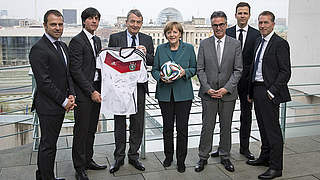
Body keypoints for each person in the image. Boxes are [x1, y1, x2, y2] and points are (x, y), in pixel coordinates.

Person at [29, 9, 76, 180]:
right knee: (48, 145)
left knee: (51, 144)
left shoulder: (62, 46)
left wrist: (71, 94)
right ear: (45, 26)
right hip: (48, 106)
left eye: (60, 24)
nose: (57, 28)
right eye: (53, 24)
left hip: (60, 103)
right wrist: (64, 101)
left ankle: (45, 176)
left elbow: (67, 74)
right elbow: (44, 83)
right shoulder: (38, 49)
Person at [211, 2, 260, 160]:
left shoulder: (256, 34)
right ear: (235, 15)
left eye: (245, 13)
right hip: (227, 83)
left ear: (249, 15)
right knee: (224, 117)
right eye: (240, 13)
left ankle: (244, 148)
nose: (242, 16)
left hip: (246, 83)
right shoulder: (227, 31)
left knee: (246, 116)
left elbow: (255, 61)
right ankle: (222, 147)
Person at [107, 9, 154, 173]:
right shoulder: (115, 38)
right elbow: (110, 61)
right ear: (127, 22)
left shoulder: (147, 39)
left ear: (141, 23)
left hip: (139, 88)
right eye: (132, 21)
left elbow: (152, 61)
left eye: (138, 22)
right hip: (119, 89)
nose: (135, 25)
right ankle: (118, 158)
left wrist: (144, 54)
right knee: (119, 123)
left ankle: (133, 156)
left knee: (138, 123)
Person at [195, 11, 242, 173]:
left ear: (226, 25)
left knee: (226, 126)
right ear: (211, 26)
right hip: (208, 94)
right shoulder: (204, 44)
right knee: (207, 127)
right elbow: (199, 69)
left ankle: (225, 156)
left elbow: (238, 70)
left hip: (227, 94)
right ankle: (203, 157)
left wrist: (225, 89)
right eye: (215, 25)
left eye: (221, 24)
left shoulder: (235, 44)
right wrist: (207, 88)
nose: (218, 28)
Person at [247, 11, 291, 179]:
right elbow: (254, 67)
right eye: (260, 22)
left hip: (269, 91)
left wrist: (272, 92)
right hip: (257, 90)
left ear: (273, 24)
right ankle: (264, 157)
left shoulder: (280, 43)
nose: (262, 26)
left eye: (266, 22)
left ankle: (276, 167)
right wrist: (251, 92)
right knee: (263, 128)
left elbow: (285, 72)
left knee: (273, 131)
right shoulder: (258, 40)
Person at [151, 21, 197, 173]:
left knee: (182, 129)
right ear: (166, 34)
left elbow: (194, 68)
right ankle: (168, 156)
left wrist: (185, 72)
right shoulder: (160, 49)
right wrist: (160, 77)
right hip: (165, 94)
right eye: (169, 32)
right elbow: (154, 70)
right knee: (167, 128)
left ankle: (181, 160)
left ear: (180, 34)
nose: (172, 35)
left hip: (183, 94)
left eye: (175, 32)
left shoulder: (189, 48)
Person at [69, 7, 107, 180]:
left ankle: (88, 160)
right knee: (81, 131)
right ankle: (79, 168)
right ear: (84, 21)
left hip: (96, 90)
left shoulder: (97, 40)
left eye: (97, 18)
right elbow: (75, 71)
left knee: (91, 129)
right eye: (91, 18)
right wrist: (91, 91)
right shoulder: (77, 41)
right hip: (84, 93)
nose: (94, 21)